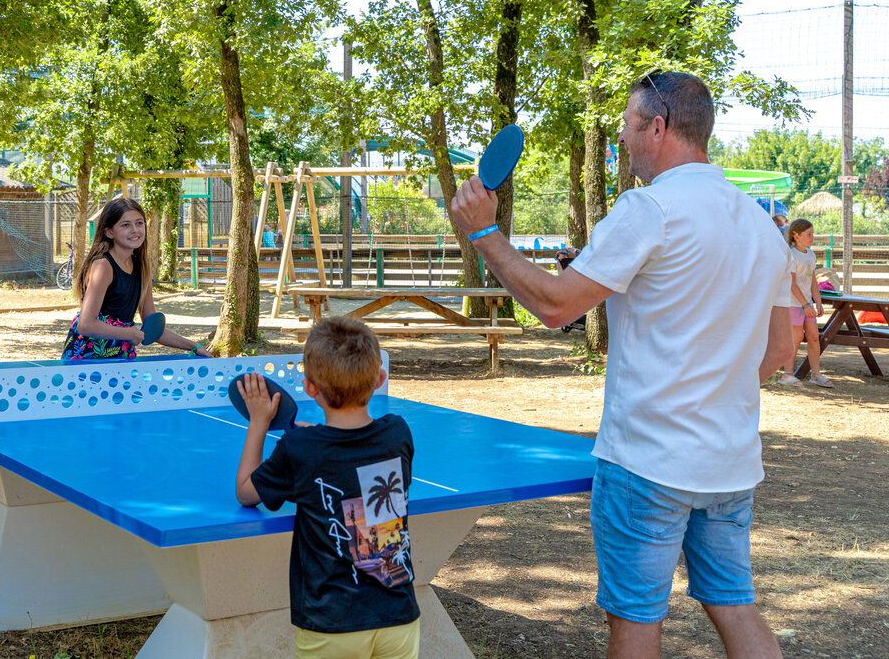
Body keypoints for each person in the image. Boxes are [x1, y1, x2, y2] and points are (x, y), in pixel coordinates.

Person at [449, 70, 793, 659]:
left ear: (657, 127)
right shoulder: (764, 227)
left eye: (629, 129)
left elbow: (556, 306)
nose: (623, 143)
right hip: (730, 462)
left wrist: (484, 233)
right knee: (735, 605)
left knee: (634, 621)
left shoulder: (649, 208)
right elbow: (781, 353)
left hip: (649, 460)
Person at [235, 317, 420, 658]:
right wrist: (315, 439)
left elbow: (247, 492)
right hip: (399, 616)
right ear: (380, 380)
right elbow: (352, 454)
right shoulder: (398, 433)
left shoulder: (301, 449)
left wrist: (260, 421)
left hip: (333, 623)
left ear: (309, 388)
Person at [62, 196, 211, 359]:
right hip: (87, 355)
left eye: (139, 223)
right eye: (126, 225)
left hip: (121, 354)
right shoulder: (103, 266)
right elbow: (86, 325)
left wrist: (195, 346)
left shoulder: (142, 268)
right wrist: (127, 333)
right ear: (109, 232)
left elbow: (153, 332)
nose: (135, 230)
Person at [779, 218, 831, 388]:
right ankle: (787, 375)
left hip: (807, 304)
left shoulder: (811, 254)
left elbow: (813, 281)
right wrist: (805, 305)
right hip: (794, 304)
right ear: (796, 236)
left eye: (812, 234)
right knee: (796, 337)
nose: (812, 237)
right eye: (808, 234)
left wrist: (818, 302)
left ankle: (816, 375)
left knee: (814, 337)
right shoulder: (791, 256)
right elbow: (791, 284)